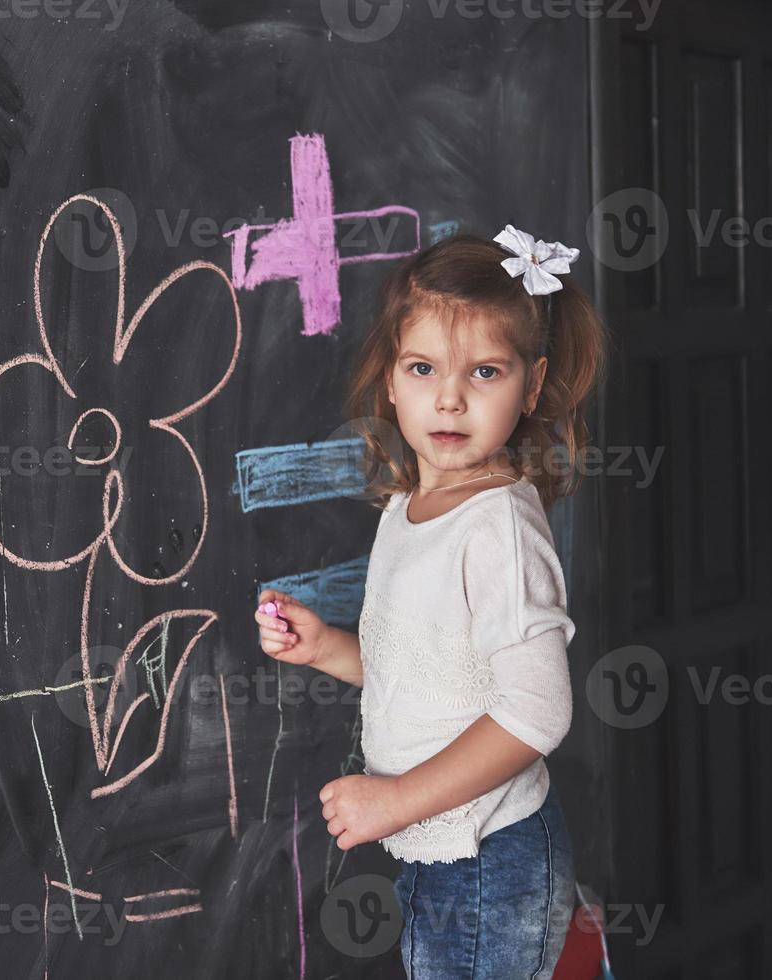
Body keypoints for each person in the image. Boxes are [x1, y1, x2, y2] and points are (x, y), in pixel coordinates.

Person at [255, 226, 606, 978]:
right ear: (390, 379)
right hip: (444, 846)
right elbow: (430, 676)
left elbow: (538, 711)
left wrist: (395, 800)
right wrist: (327, 648)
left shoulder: (500, 528)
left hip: (490, 856)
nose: (449, 398)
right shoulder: (409, 508)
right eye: (423, 368)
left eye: (485, 371)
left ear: (533, 385)